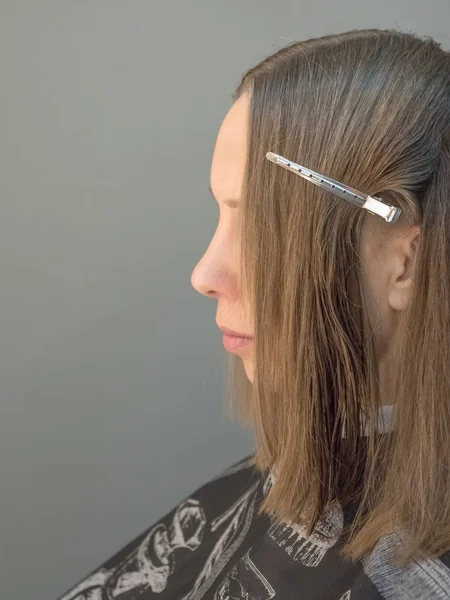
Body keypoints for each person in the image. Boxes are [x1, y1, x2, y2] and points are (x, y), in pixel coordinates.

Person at [57, 28, 450, 599]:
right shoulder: (304, 469)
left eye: (259, 225)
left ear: (406, 262)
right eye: (222, 215)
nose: (204, 275)